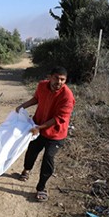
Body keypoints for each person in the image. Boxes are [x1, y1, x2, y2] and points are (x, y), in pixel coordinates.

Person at [15, 66, 75, 202]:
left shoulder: (67, 96)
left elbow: (59, 118)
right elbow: (36, 98)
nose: (59, 82)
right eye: (56, 78)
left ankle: (41, 187)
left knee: (48, 158)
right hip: (39, 127)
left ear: (65, 81)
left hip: (56, 134)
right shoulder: (42, 86)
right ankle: (26, 170)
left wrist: (39, 127)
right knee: (31, 151)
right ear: (50, 77)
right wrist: (22, 106)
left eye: (62, 79)